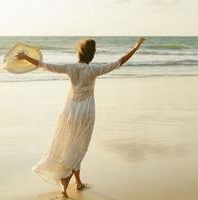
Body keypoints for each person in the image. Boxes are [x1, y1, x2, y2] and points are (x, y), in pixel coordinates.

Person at [16, 37, 146, 198]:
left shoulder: (70, 68)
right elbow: (119, 62)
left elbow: (45, 65)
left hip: (70, 110)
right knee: (78, 148)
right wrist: (136, 47)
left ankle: (78, 183)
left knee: (73, 146)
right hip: (86, 112)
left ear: (79, 52)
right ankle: (64, 188)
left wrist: (25, 57)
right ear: (92, 55)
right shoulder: (94, 70)